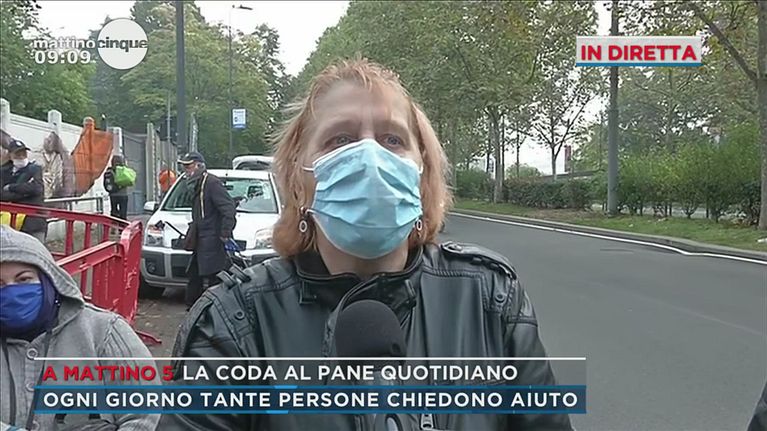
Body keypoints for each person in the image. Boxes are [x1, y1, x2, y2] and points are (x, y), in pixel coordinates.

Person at [160, 59, 572, 430]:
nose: (369, 157)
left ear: (421, 174)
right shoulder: (235, 322)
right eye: (340, 140)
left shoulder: (490, 298)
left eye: (392, 140)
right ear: (299, 181)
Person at [0, 225, 160, 431]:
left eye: (24, 279)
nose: (12, 291)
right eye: (0, 284)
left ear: (49, 279)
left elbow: (145, 412)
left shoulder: (103, 330)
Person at [176, 151, 236, 309]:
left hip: (212, 240)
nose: (186, 170)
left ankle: (213, 310)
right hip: (201, 240)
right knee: (194, 276)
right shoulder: (197, 184)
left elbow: (229, 208)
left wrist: (225, 233)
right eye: (184, 167)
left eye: (188, 166)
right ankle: (194, 309)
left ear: (199, 166)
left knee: (214, 278)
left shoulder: (211, 183)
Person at [0, 139, 47, 242]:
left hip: (34, 222)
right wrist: (25, 192)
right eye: (18, 154)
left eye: (24, 153)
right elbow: (1, 194)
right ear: (10, 155)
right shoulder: (3, 171)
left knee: (37, 249)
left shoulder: (34, 169)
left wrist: (11, 187)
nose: (21, 156)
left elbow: (37, 189)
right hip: (10, 224)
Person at [103, 154, 130, 220]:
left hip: (113, 195)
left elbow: (105, 184)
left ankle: (114, 224)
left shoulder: (109, 171)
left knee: (114, 211)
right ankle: (122, 224)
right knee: (123, 213)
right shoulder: (124, 170)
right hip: (123, 194)